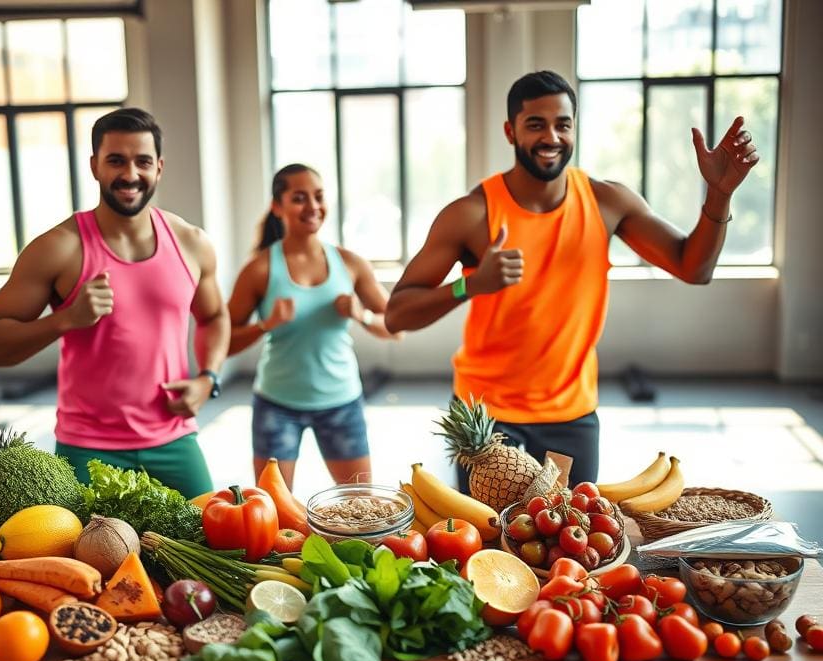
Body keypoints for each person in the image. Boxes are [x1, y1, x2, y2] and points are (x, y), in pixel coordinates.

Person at [384, 70, 759, 489]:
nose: (551, 137)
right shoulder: (471, 213)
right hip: (485, 415)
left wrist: (719, 194)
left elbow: (694, 268)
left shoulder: (606, 202)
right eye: (535, 124)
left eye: (562, 124)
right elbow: (396, 315)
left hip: (569, 414)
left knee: (567, 526)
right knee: (490, 529)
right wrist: (469, 285)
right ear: (510, 131)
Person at [0, 107, 228, 498]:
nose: (130, 174)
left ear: (159, 167)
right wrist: (64, 319)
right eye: (116, 161)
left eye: (143, 161)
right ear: (95, 166)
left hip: (174, 438)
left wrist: (208, 378)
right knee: (85, 542)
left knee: (212, 531)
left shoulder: (191, 243)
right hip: (88, 447)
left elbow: (214, 316)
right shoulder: (59, 248)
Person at [227, 163, 402, 491]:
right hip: (277, 404)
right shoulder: (259, 270)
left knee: (360, 502)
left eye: (319, 196)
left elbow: (396, 327)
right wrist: (266, 324)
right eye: (299, 198)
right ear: (277, 206)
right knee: (273, 509)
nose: (313, 206)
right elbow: (223, 343)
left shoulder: (350, 263)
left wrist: (362, 315)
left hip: (341, 403)